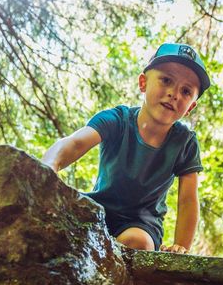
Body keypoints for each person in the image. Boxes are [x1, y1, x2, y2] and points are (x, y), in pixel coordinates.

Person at [41, 42, 211, 253]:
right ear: (143, 82)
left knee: (138, 242)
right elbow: (75, 143)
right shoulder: (117, 120)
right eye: (166, 80)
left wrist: (181, 247)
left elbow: (187, 200)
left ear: (190, 107)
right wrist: (48, 168)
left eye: (186, 91)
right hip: (98, 210)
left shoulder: (184, 142)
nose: (174, 94)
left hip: (141, 225)